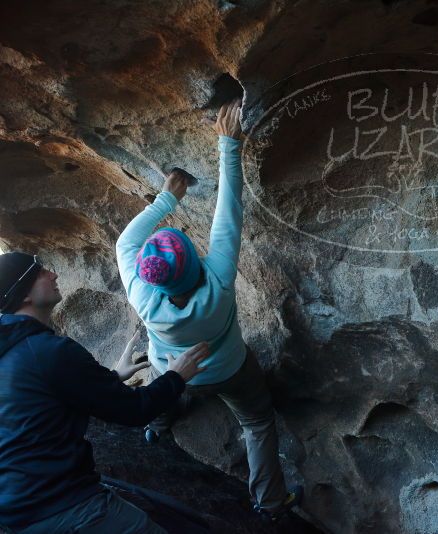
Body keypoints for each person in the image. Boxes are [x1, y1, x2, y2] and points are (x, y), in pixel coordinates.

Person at [115, 100, 302, 522]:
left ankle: (156, 428)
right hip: (230, 370)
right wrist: (228, 144)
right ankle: (271, 503)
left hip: (174, 370)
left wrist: (164, 199)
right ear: (196, 262)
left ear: (150, 277)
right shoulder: (216, 282)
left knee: (165, 390)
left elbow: (124, 244)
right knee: (256, 421)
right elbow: (229, 213)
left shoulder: (142, 294)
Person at [0, 251, 211, 533]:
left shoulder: (12, 349)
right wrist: (177, 376)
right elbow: (136, 410)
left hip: (17, 509)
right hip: (65, 507)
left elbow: (40, 402)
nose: (53, 274)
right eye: (41, 272)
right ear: (23, 294)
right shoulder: (48, 351)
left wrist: (111, 378)